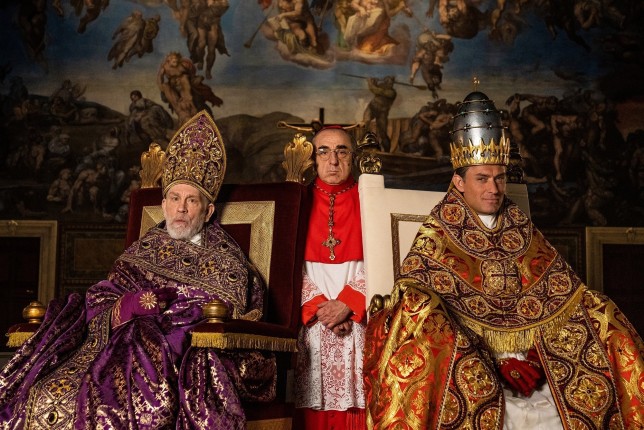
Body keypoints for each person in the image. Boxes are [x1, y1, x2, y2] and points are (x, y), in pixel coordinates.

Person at [364, 91, 644, 429]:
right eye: (482, 179)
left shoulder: (520, 225)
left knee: (602, 319)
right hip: (470, 360)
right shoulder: (437, 233)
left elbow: (564, 296)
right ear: (458, 182)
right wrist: (494, 362)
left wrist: (535, 357)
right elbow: (419, 302)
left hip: (534, 357)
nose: (494, 189)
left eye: (500, 178)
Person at [0, 111, 272, 429]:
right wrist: (124, 307)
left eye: (191, 200)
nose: (181, 208)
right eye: (174, 198)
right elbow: (103, 294)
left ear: (208, 210)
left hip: (169, 355)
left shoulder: (228, 262)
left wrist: (161, 318)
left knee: (106, 402)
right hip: (109, 345)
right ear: (164, 204)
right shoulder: (143, 248)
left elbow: (225, 317)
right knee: (42, 390)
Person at [295, 126, 366, 429]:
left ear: (353, 156)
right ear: (312, 158)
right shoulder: (296, 202)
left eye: (342, 151)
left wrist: (349, 303)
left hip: (360, 321)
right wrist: (320, 309)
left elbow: (385, 256)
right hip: (312, 322)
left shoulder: (370, 199)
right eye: (323, 151)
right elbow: (285, 264)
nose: (333, 160)